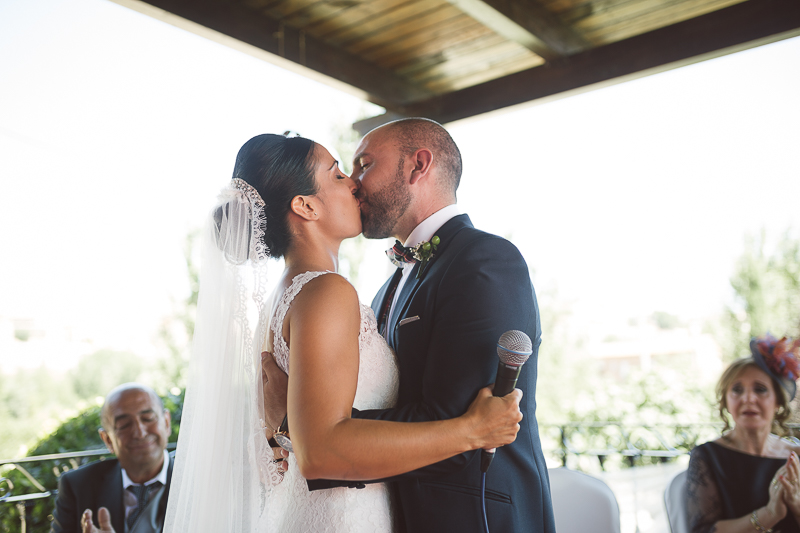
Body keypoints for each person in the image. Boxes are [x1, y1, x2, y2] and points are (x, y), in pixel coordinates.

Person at [163, 132, 523, 533]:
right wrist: (472, 430)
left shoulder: (285, 298)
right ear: (305, 206)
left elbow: (294, 439)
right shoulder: (326, 292)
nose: (354, 183)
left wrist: (288, 426)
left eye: (360, 167)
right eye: (337, 174)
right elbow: (320, 449)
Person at [263, 118, 555, 532]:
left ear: (418, 166)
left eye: (364, 164)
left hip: (476, 519)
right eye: (345, 171)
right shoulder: (383, 292)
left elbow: (468, 430)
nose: (355, 183)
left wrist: (299, 425)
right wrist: (306, 431)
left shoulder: (485, 261)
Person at [686, 334, 800, 533]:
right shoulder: (706, 457)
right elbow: (702, 530)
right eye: (737, 390)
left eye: (760, 389)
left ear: (778, 401)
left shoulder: (796, 456)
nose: (748, 398)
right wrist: (769, 514)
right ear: (726, 402)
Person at [51, 383, 175, 533]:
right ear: (107, 439)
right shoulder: (78, 486)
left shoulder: (197, 482)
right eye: (124, 425)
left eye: (148, 418)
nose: (139, 432)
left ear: (167, 422)